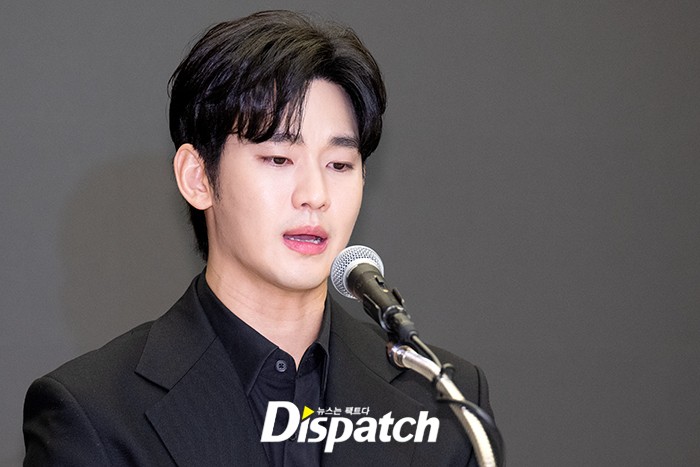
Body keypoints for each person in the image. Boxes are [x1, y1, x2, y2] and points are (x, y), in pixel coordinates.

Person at [23, 10, 493, 466]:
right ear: (197, 178)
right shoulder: (95, 414)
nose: (315, 195)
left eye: (339, 165)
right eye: (278, 159)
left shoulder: (443, 401)